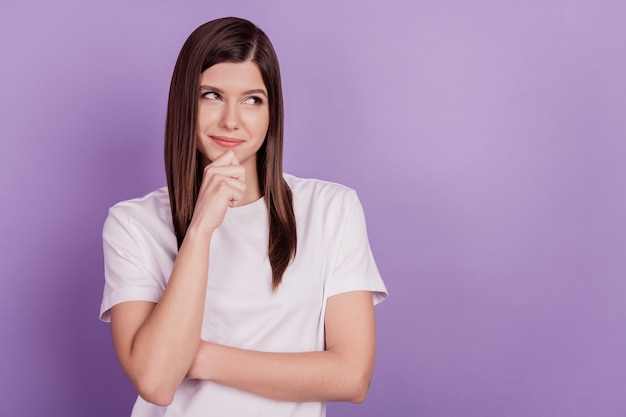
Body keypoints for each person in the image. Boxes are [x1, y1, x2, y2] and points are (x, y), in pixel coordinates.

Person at [99, 16, 388, 417]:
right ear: (186, 101)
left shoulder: (330, 209)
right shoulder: (133, 224)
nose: (231, 120)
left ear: (272, 112)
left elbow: (352, 377)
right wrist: (200, 230)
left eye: (252, 99)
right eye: (212, 95)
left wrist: (196, 357)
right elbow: (157, 381)